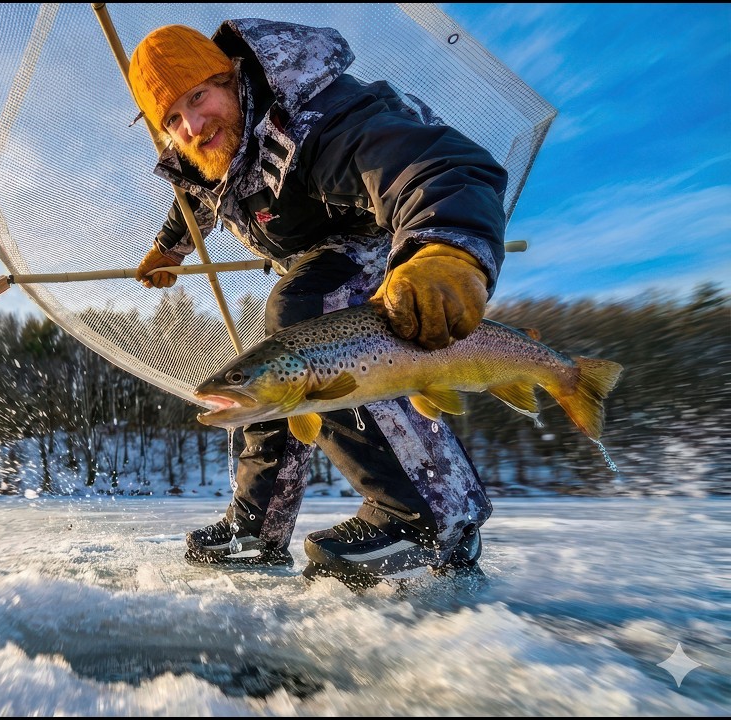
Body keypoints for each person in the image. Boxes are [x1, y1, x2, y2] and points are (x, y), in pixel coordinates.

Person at [127, 20, 506, 589]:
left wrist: (446, 248)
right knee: (266, 377)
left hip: (389, 237)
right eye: (173, 119)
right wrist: (169, 248)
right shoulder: (210, 151)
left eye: (199, 97)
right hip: (313, 260)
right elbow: (200, 197)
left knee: (302, 313)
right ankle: (259, 528)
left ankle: (426, 511)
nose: (192, 125)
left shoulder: (316, 117)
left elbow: (430, 164)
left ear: (231, 78)